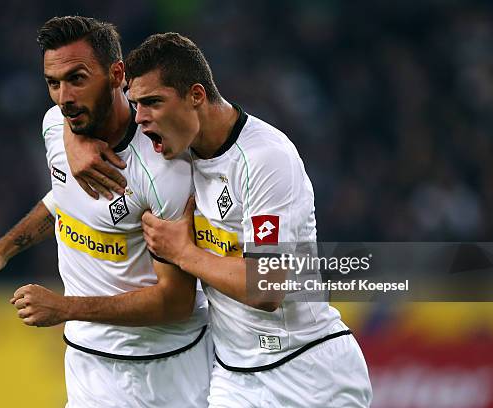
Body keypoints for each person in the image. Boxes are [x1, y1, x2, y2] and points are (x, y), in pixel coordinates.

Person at [66, 32, 372, 407]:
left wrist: (184, 253)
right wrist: (74, 139)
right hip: (234, 378)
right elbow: (85, 106)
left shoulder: (264, 159)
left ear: (196, 96)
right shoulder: (175, 147)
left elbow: (267, 287)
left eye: (153, 103)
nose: (141, 119)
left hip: (308, 373)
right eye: (136, 104)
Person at [0, 17, 210, 407]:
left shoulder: (163, 166)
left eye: (77, 78)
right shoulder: (54, 126)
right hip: (87, 365)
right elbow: (62, 200)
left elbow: (176, 303)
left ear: (116, 74)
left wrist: (66, 307)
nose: (64, 97)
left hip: (166, 369)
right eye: (53, 83)